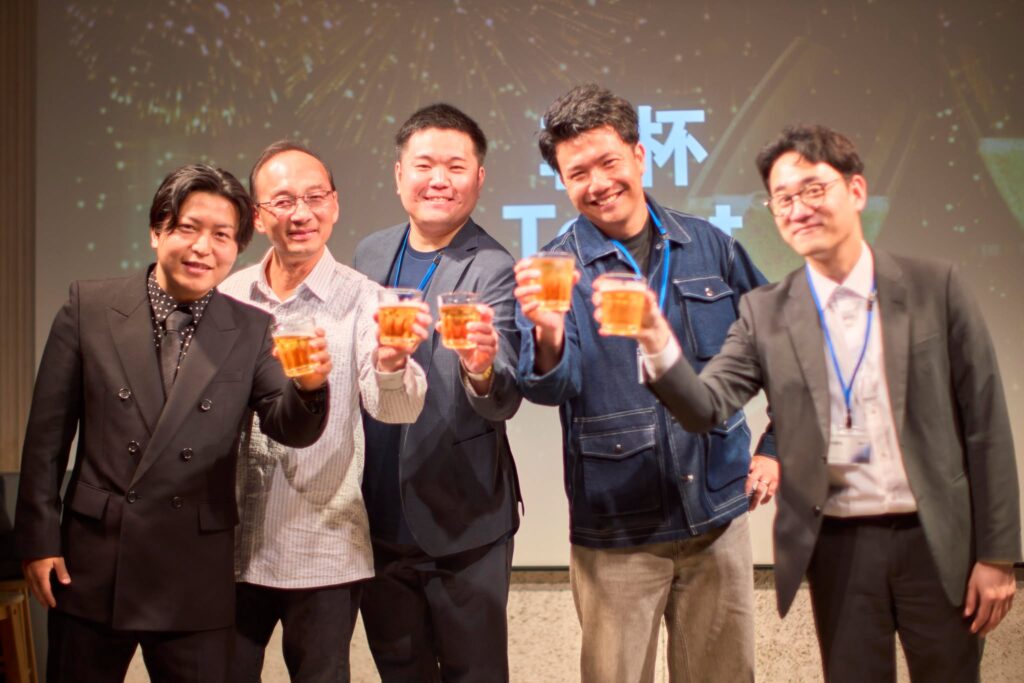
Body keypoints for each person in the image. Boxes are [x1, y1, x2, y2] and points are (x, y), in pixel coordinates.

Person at [640, 123, 1021, 682]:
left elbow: (986, 425)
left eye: (813, 190)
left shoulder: (934, 287)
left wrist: (997, 555)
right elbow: (705, 405)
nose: (798, 209)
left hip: (936, 537)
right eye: (783, 199)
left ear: (856, 190)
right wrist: (657, 344)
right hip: (838, 546)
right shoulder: (766, 312)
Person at [15, 164, 332, 682]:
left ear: (237, 249)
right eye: (188, 228)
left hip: (194, 571)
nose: (203, 247)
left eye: (222, 235)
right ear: (157, 231)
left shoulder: (251, 328)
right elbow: (46, 440)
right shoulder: (89, 307)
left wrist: (310, 386)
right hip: (94, 562)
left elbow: (289, 427)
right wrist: (38, 540)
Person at [513, 84, 776, 682]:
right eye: (578, 173)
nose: (598, 183)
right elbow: (550, 389)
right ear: (563, 181)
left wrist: (776, 447)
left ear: (639, 155)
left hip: (716, 512)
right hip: (617, 528)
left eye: (608, 162)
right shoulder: (556, 268)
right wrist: (548, 332)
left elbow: (780, 350)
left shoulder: (708, 245)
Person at [218, 141, 429, 682]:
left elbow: (395, 407)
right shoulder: (229, 294)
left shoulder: (365, 299)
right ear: (257, 216)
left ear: (334, 205)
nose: (302, 213)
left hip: (323, 543)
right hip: (230, 543)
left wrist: (391, 364)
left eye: (315, 198)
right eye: (284, 201)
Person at [353, 103, 522, 682]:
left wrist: (481, 368)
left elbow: (504, 396)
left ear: (479, 178)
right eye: (424, 165)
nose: (439, 180)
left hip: (463, 520)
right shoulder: (371, 253)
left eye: (456, 166)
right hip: (377, 517)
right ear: (399, 174)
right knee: (400, 671)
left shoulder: (494, 266)